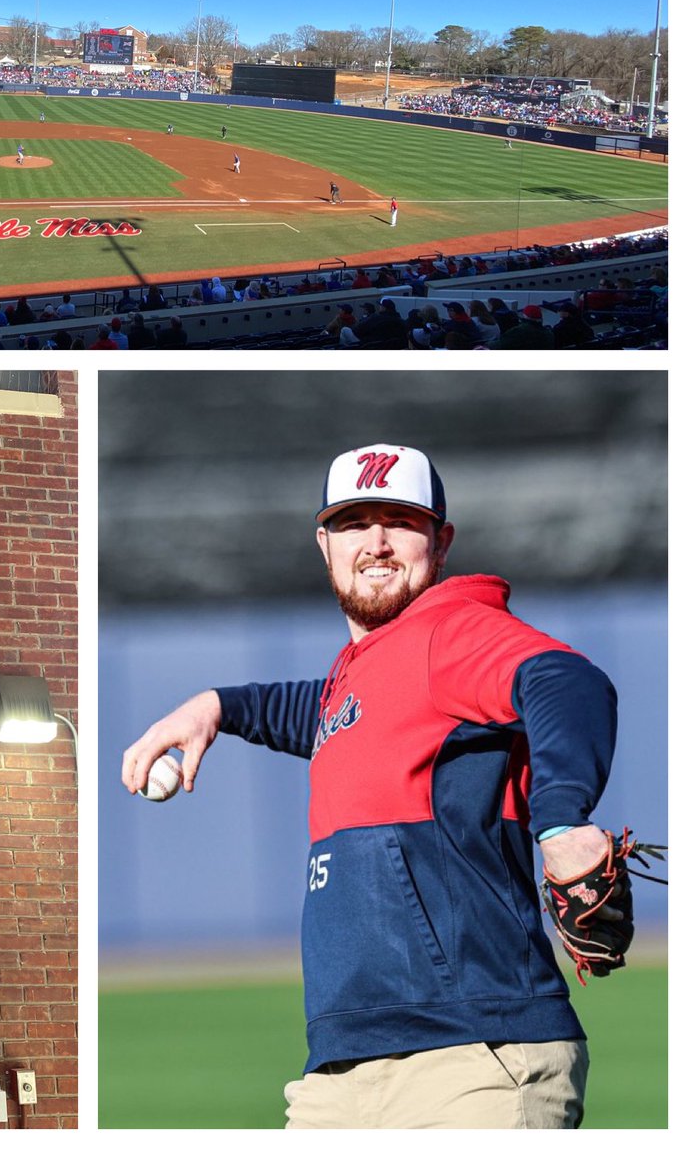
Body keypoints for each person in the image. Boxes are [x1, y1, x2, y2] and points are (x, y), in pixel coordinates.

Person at [122, 442, 637, 1129]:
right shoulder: (361, 671)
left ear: (441, 539)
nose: (378, 541)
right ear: (324, 544)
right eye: (355, 521)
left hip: (471, 1059)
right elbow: (322, 710)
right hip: (341, 1071)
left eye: (400, 519)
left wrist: (558, 820)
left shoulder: (449, 629)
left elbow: (564, 680)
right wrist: (219, 704)